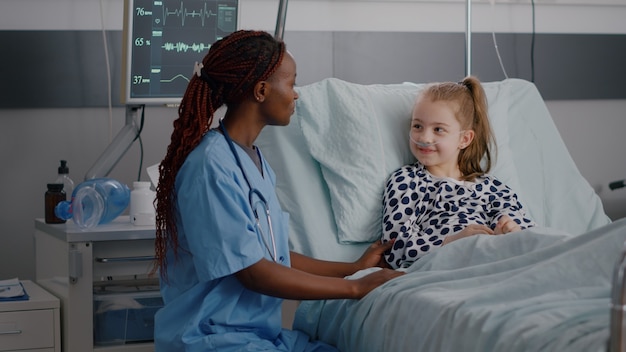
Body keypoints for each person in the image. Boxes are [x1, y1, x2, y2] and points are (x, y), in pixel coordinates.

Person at [152, 30, 403, 351]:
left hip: (257, 334)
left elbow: (274, 256)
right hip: (212, 337)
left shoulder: (254, 161)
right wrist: (355, 288)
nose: (295, 95)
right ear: (261, 90)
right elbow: (254, 273)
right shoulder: (210, 166)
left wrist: (353, 269)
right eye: (292, 83)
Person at [381, 76, 536, 270]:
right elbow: (395, 249)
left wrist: (510, 231)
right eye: (417, 126)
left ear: (464, 139)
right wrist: (453, 241)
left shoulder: (492, 188)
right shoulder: (407, 181)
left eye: (438, 129)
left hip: (497, 261)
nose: (425, 137)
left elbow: (529, 237)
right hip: (449, 266)